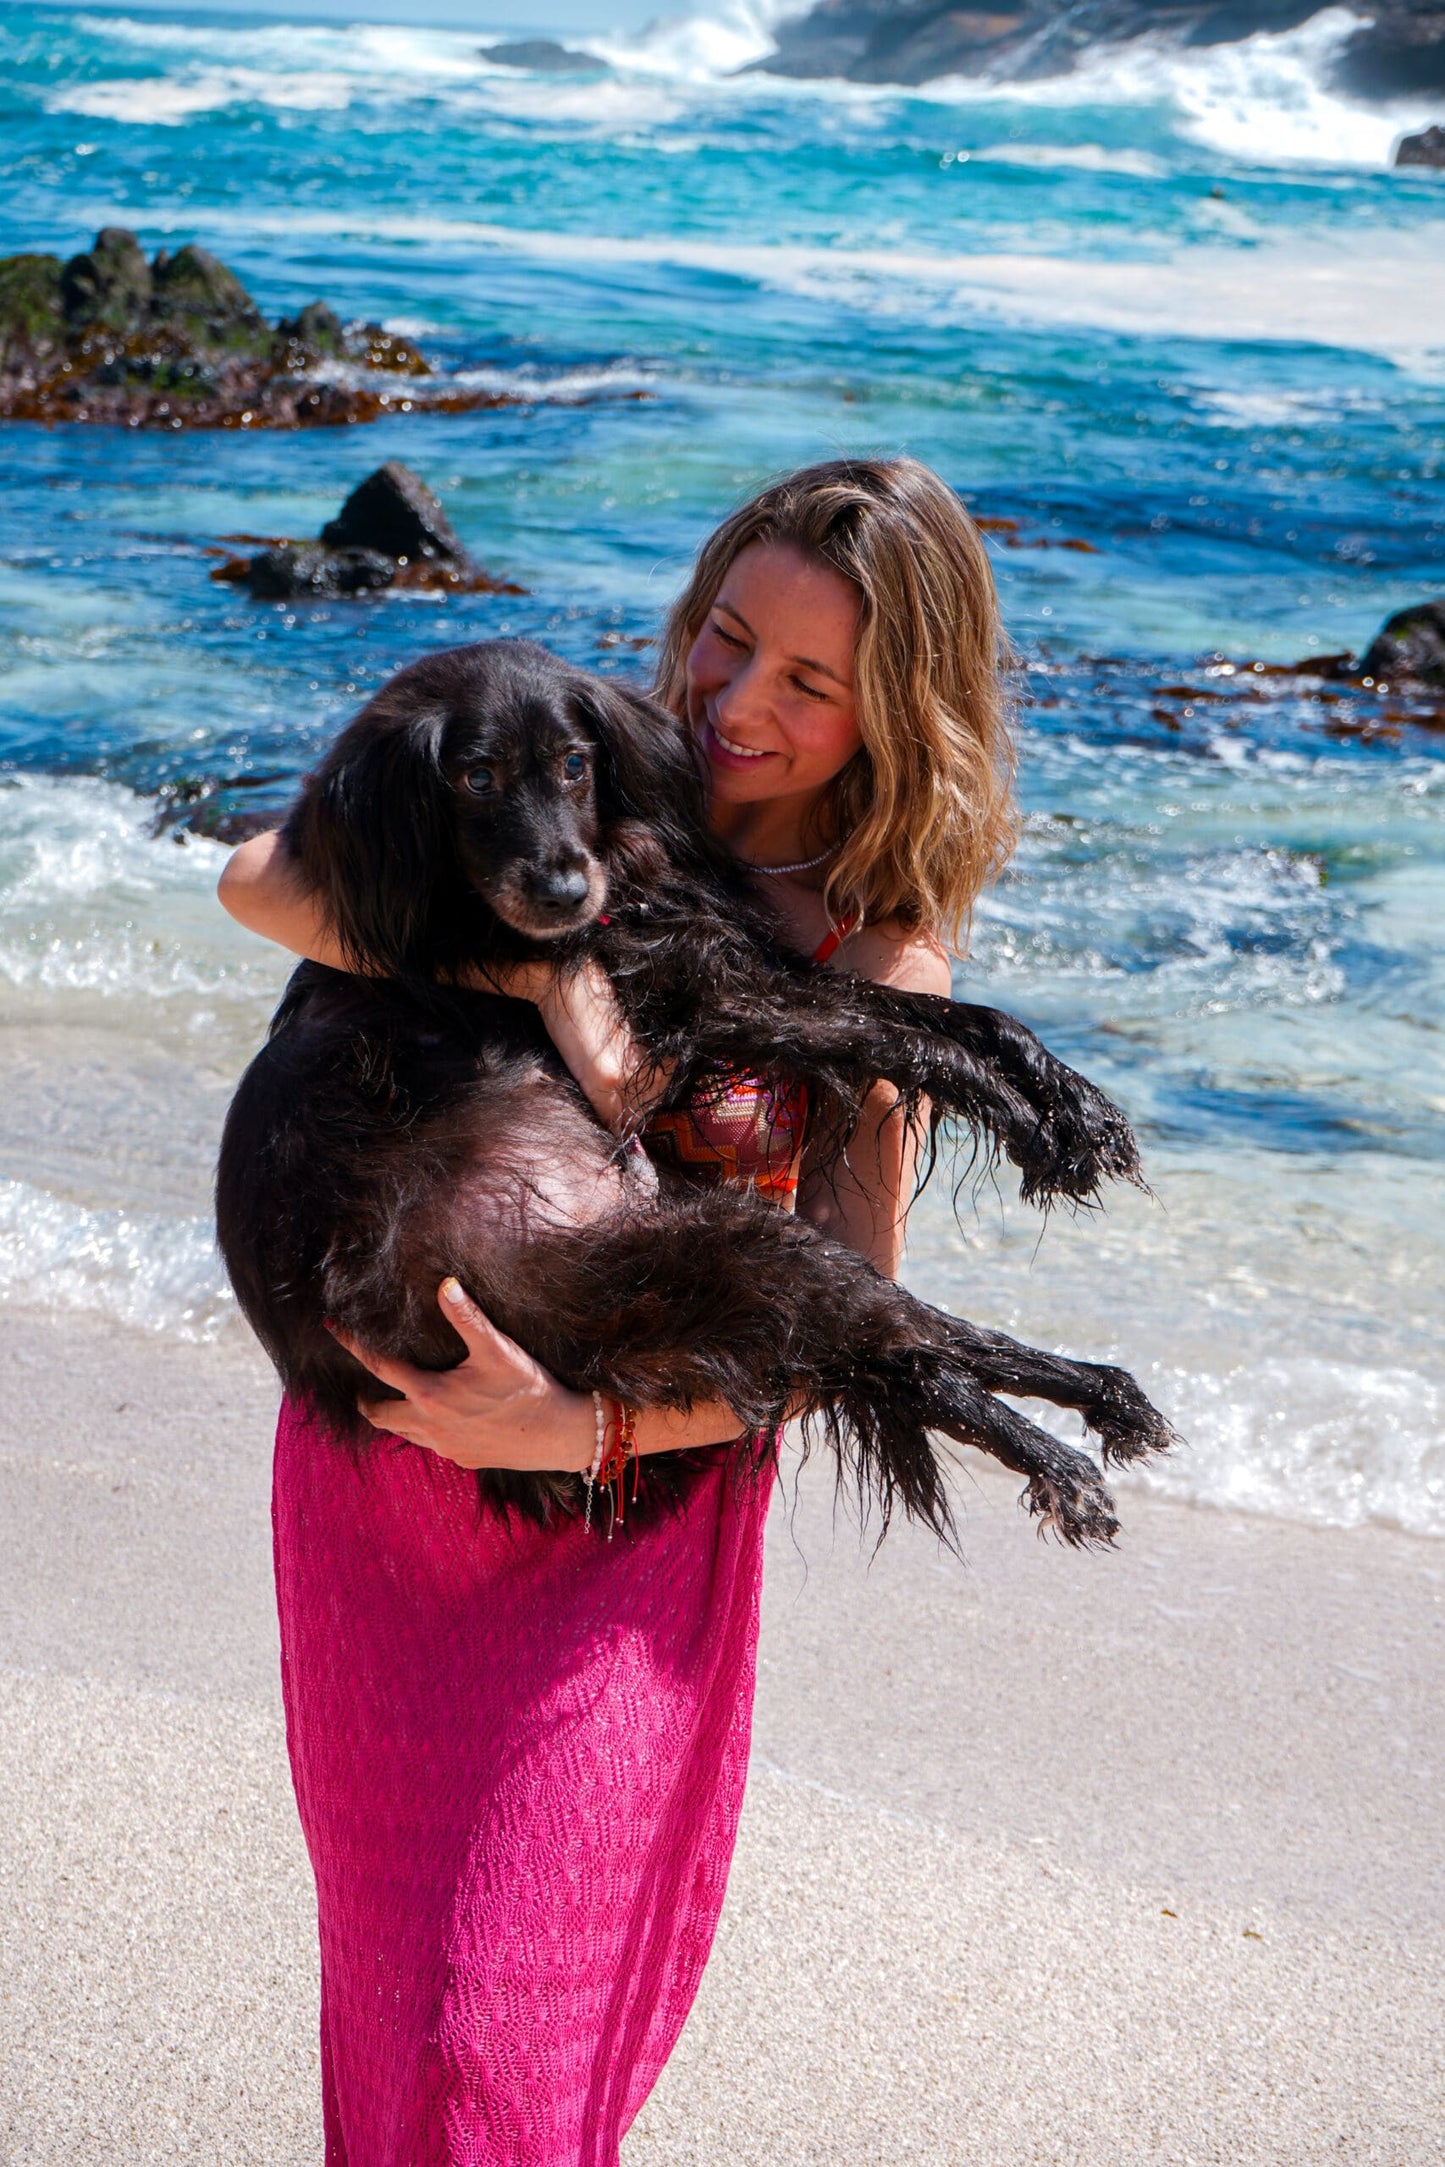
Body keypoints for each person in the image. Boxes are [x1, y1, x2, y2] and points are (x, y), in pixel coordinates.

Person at [218, 456, 1017, 2166]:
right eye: (726, 640)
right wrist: (552, 976)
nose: (737, 705)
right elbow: (260, 875)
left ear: (895, 711)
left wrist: (574, 1427)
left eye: (810, 684)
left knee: (489, 2045)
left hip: (623, 1517)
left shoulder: (879, 962)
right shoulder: (551, 786)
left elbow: (844, 1321)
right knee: (400, 2018)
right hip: (383, 1487)